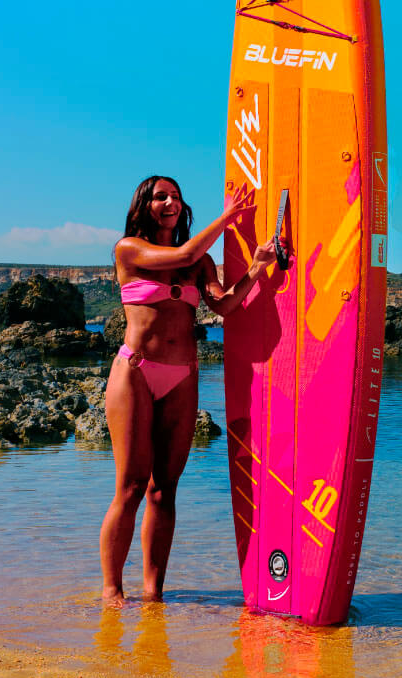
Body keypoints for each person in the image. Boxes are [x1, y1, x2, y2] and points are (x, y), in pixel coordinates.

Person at [100, 176, 275, 603]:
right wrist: (229, 218)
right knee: (132, 485)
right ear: (144, 205)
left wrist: (257, 267)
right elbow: (184, 251)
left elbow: (223, 305)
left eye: (175, 197)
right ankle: (111, 590)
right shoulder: (129, 249)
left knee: (165, 488)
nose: (170, 203)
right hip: (136, 373)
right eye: (160, 197)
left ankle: (153, 594)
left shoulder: (201, 264)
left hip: (184, 376)